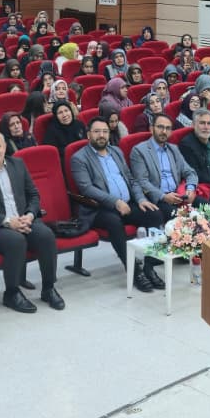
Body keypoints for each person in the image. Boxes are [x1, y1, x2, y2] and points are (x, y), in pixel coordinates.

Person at [0, 130, 63, 314]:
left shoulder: (18, 164)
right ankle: (11, 293)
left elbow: (33, 195)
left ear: (5, 147)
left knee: (46, 235)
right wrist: (7, 221)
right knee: (16, 240)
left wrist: (30, 215)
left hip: (23, 220)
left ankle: (48, 288)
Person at [70, 117, 165, 291]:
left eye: (105, 131)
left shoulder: (116, 152)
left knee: (155, 214)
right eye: (97, 131)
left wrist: (141, 199)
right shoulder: (79, 158)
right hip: (99, 209)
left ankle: (149, 266)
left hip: (127, 203)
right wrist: (115, 202)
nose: (101, 135)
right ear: (88, 134)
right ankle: (134, 271)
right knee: (114, 222)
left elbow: (131, 179)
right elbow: (87, 188)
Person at [130, 112, 199, 217]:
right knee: (182, 219)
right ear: (151, 129)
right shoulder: (139, 151)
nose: (164, 131)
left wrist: (190, 189)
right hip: (159, 198)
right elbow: (142, 181)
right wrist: (163, 196)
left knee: (207, 208)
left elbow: (190, 172)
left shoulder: (173, 149)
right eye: (160, 127)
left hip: (179, 195)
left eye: (168, 128)